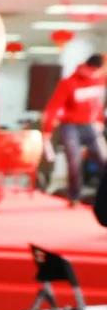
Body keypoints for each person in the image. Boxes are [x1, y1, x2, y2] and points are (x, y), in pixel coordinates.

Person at [42, 53, 107, 205]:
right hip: (70, 126)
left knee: (103, 159)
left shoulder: (101, 79)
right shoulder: (68, 83)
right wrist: (47, 130)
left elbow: (97, 104)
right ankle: (74, 196)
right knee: (74, 161)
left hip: (91, 125)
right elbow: (53, 107)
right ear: (89, 68)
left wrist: (99, 121)